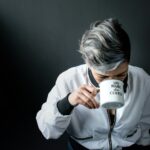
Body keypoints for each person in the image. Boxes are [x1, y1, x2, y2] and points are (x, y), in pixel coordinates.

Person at [36, 18, 150, 150]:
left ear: (128, 62)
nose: (113, 81)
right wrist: (68, 102)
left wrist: (145, 144)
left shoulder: (142, 79)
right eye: (103, 76)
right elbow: (47, 130)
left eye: (121, 75)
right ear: (88, 64)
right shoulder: (68, 79)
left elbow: (146, 121)